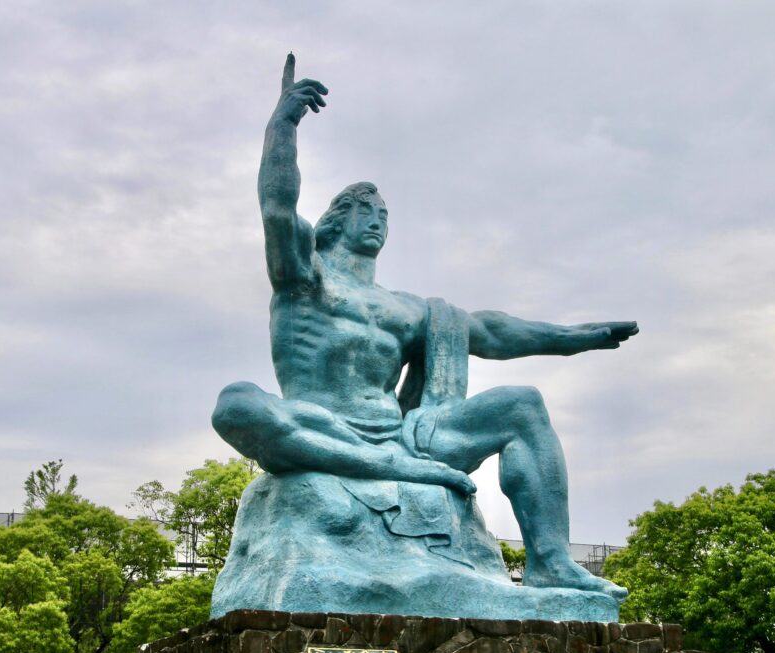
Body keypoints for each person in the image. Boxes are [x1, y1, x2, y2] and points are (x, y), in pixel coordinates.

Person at [212, 54, 637, 599]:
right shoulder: (305, 277)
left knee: (523, 405)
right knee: (236, 404)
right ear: (337, 219)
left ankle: (551, 562)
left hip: (405, 436)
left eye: (385, 213)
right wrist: (282, 125)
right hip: (319, 422)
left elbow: (492, 332)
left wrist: (577, 337)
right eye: (366, 208)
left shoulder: (406, 309)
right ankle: (383, 468)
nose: (378, 219)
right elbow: (276, 206)